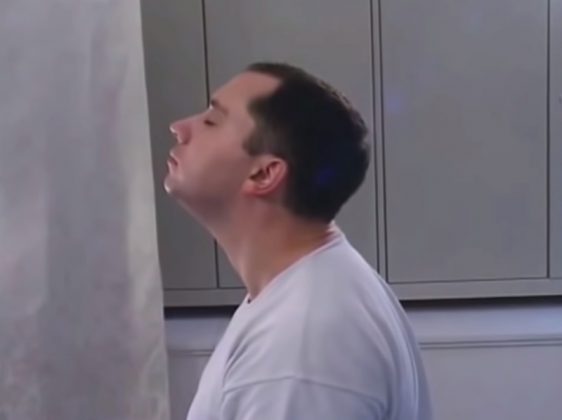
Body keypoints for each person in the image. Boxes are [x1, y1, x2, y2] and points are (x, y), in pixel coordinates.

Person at [165, 62, 432, 420]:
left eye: (212, 121)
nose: (179, 128)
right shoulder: (307, 296)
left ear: (264, 173)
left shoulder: (299, 348)